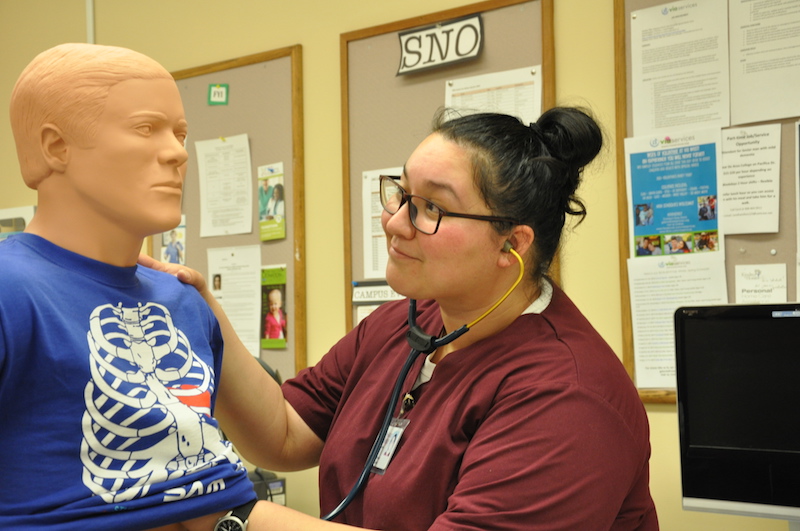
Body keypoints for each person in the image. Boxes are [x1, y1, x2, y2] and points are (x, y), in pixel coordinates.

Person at [146, 107, 658, 529]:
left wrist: (226, 515)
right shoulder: (401, 325)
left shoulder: (568, 396)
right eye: (402, 193)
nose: (394, 222)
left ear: (512, 243)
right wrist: (203, 313)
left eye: (432, 207)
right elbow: (283, 432)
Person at [0, 43, 263, 530]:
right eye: (146, 129)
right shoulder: (10, 291)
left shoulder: (184, 300)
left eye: (180, 133)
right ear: (56, 147)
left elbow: (274, 447)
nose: (178, 152)